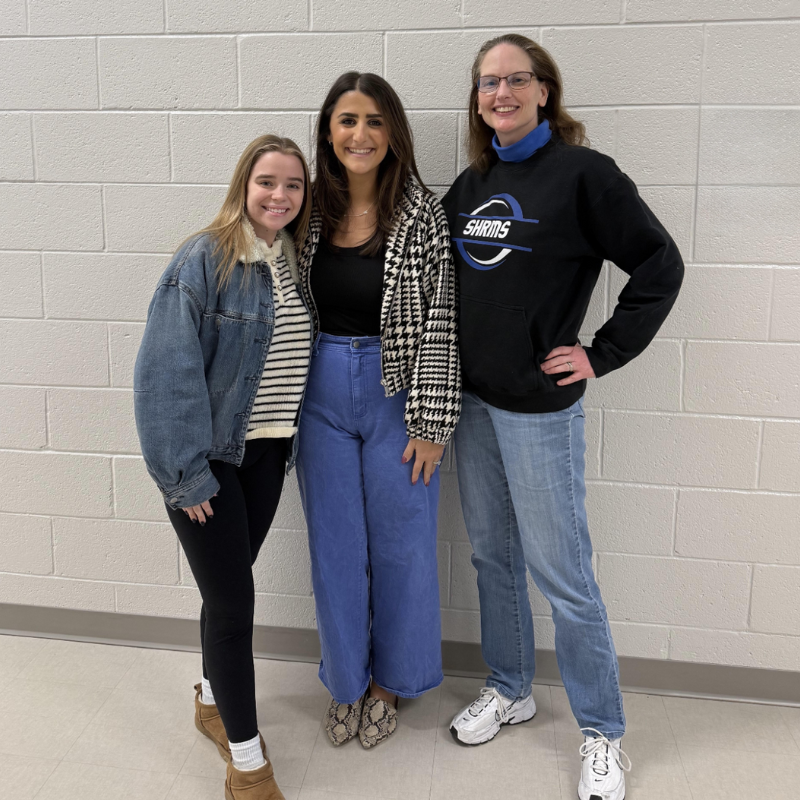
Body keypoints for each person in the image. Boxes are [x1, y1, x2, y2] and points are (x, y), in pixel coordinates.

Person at [441, 33, 683, 800]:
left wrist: (601, 352)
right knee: (490, 557)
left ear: (546, 90)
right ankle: (511, 687)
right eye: (488, 83)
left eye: (517, 80)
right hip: (474, 406)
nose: (501, 93)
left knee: (564, 576)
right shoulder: (472, 182)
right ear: (477, 99)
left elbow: (659, 264)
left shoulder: (586, 176)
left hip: (540, 412)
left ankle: (602, 732)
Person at [134, 134, 314, 800]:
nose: (280, 195)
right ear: (244, 184)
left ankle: (210, 699)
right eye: (268, 181)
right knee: (236, 605)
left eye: (293, 185)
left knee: (225, 591)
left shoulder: (293, 259)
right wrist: (182, 475)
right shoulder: (204, 259)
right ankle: (246, 762)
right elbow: (164, 372)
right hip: (210, 460)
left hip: (268, 454)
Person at [295, 72, 460, 749]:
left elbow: (442, 317)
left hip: (399, 391)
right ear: (328, 133)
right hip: (321, 388)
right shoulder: (307, 210)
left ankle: (392, 681)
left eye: (372, 121)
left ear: (392, 133)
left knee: (404, 546)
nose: (359, 135)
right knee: (334, 549)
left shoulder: (421, 212)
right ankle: (345, 681)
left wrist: (432, 423)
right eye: (346, 121)